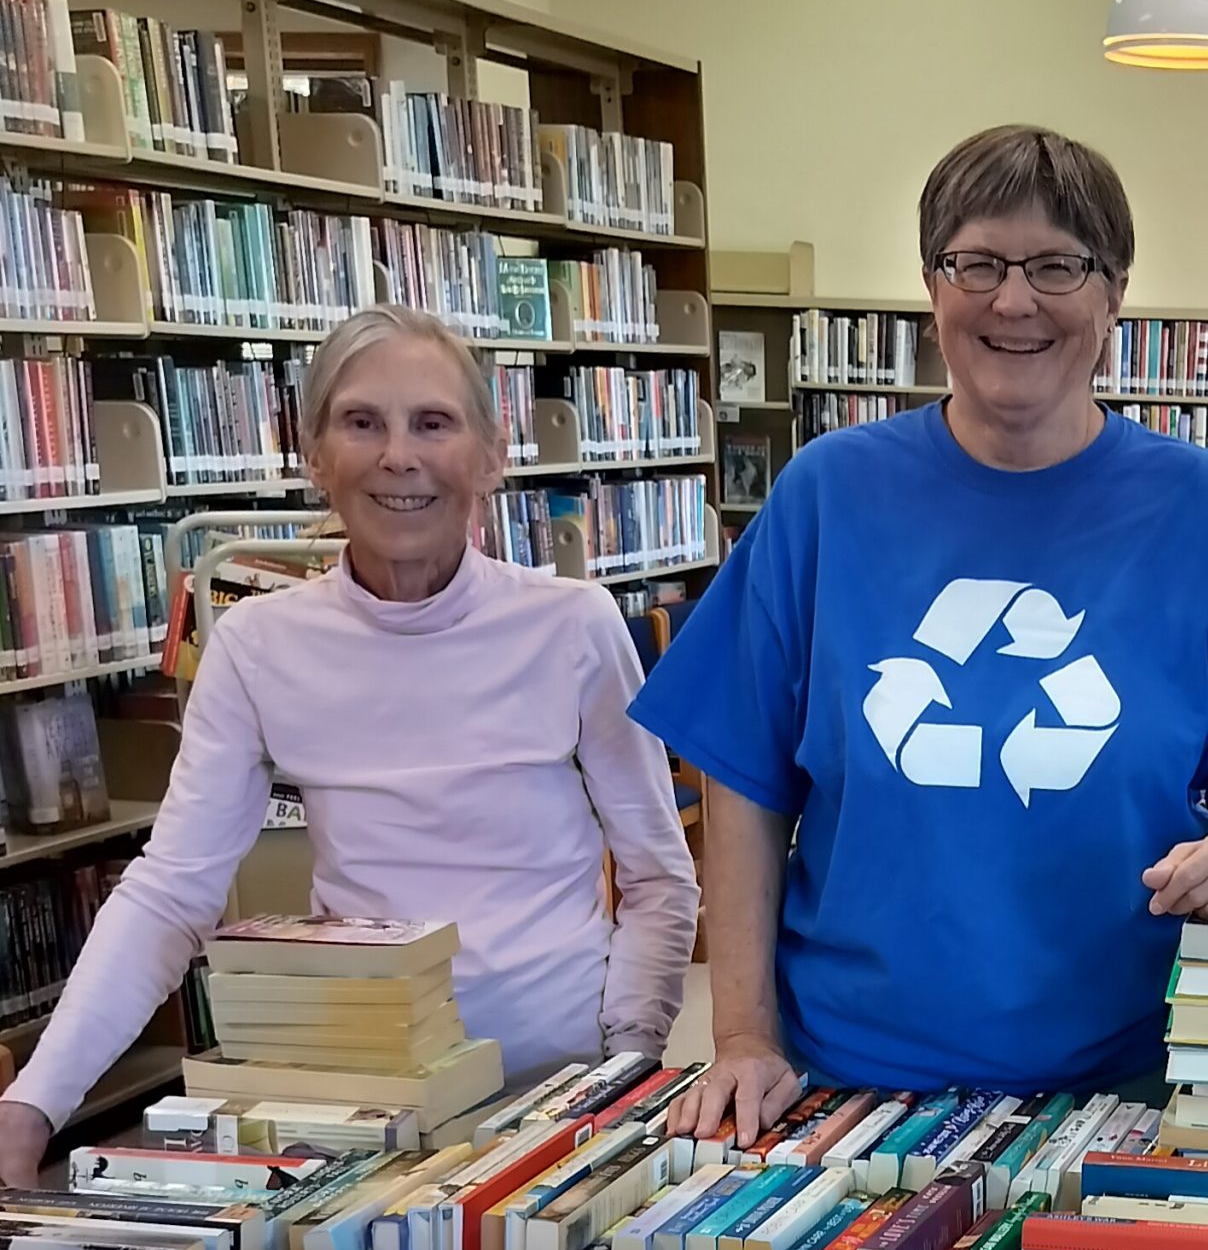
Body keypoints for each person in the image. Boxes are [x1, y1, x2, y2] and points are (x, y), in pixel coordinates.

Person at [632, 126, 1208, 1140]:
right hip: (850, 1079)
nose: (1013, 300)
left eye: (1055, 266)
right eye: (978, 263)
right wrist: (742, 1035)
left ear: (1114, 292)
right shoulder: (828, 493)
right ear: (930, 284)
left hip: (1125, 1078)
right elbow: (741, 780)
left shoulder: (1202, 509)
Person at [0, 306, 697, 1181]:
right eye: (362, 422)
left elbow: (658, 873)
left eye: (432, 423)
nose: (398, 456)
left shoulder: (573, 625)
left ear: (490, 455)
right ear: (315, 456)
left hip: (557, 1100)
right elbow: (170, 893)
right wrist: (34, 1104)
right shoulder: (257, 645)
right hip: (360, 1111)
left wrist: (625, 1058)